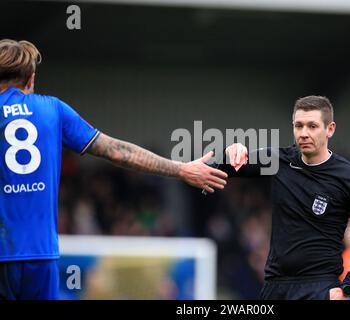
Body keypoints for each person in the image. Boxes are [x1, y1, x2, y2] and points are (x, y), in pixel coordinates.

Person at [0, 39, 227, 300]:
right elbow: (117, 151)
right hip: (40, 256)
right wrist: (181, 169)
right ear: (31, 79)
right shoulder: (53, 109)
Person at [218, 95, 350, 300]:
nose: (303, 133)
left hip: (320, 288)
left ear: (330, 129)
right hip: (275, 287)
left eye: (312, 126)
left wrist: (348, 286)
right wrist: (230, 152)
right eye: (298, 126)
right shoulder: (277, 160)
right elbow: (224, 168)